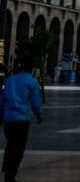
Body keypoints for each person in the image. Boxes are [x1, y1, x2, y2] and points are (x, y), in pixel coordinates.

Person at [1, 54, 43, 182]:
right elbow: (36, 103)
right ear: (32, 68)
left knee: (10, 145)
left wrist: (0, 115)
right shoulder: (32, 81)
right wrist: (38, 114)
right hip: (22, 119)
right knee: (19, 148)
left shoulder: (10, 80)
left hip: (8, 119)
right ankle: (11, 175)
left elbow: (2, 100)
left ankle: (7, 172)